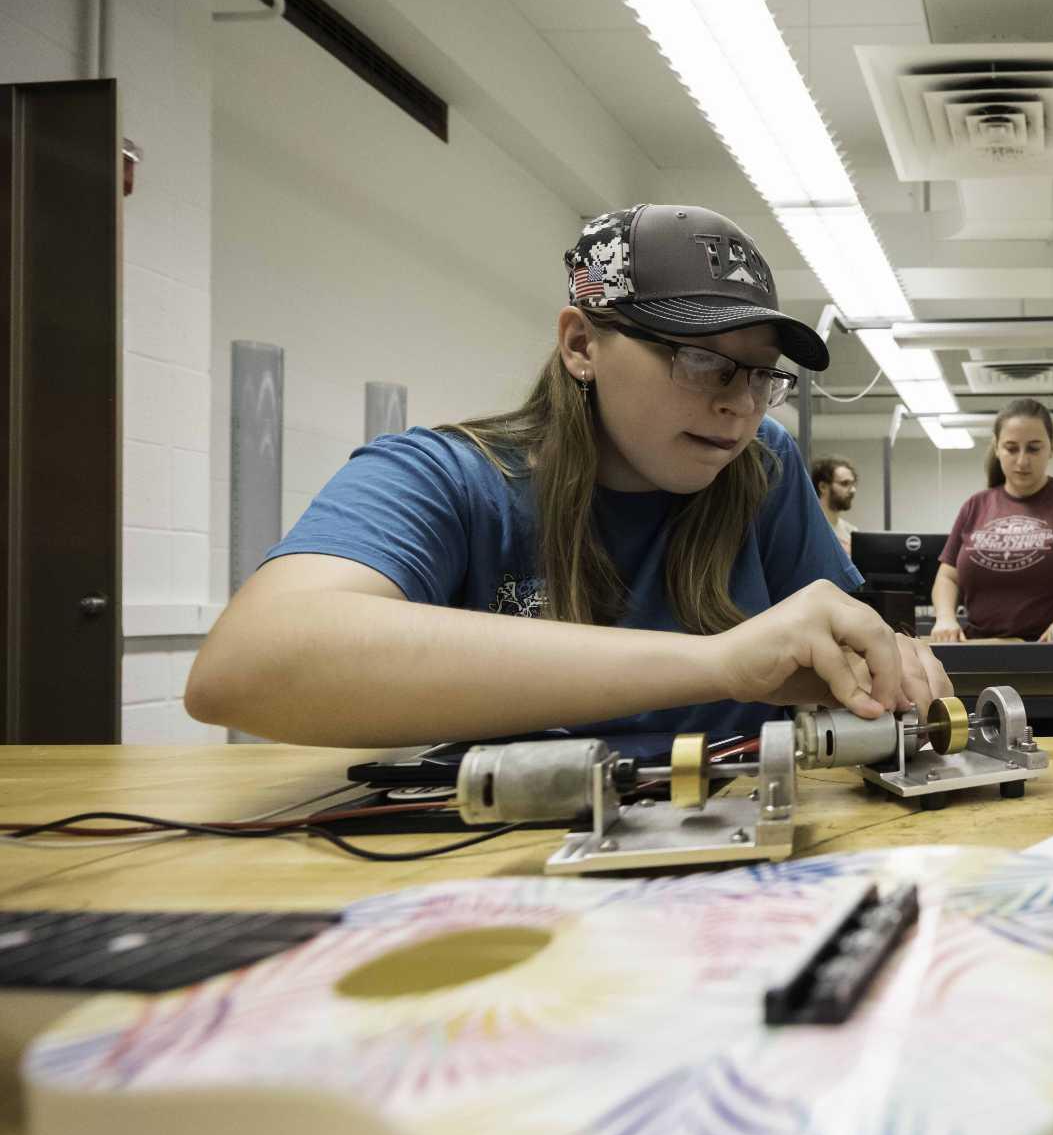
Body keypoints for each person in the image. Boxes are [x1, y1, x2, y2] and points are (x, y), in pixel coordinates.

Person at [187, 204, 950, 747]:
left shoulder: (760, 468)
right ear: (582, 343)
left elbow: (847, 664)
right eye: (702, 362)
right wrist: (717, 663)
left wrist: (885, 673)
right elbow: (247, 666)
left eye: (758, 376)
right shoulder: (449, 479)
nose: (738, 408)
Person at [930, 398, 1053, 643]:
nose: (1022, 461)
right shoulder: (976, 506)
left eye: (1034, 448)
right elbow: (947, 577)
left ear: (1052, 448)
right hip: (980, 650)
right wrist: (945, 618)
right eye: (1011, 448)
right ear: (997, 448)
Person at [812, 455, 858, 555]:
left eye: (853, 484)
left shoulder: (851, 532)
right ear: (823, 487)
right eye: (845, 483)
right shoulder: (809, 529)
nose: (853, 490)